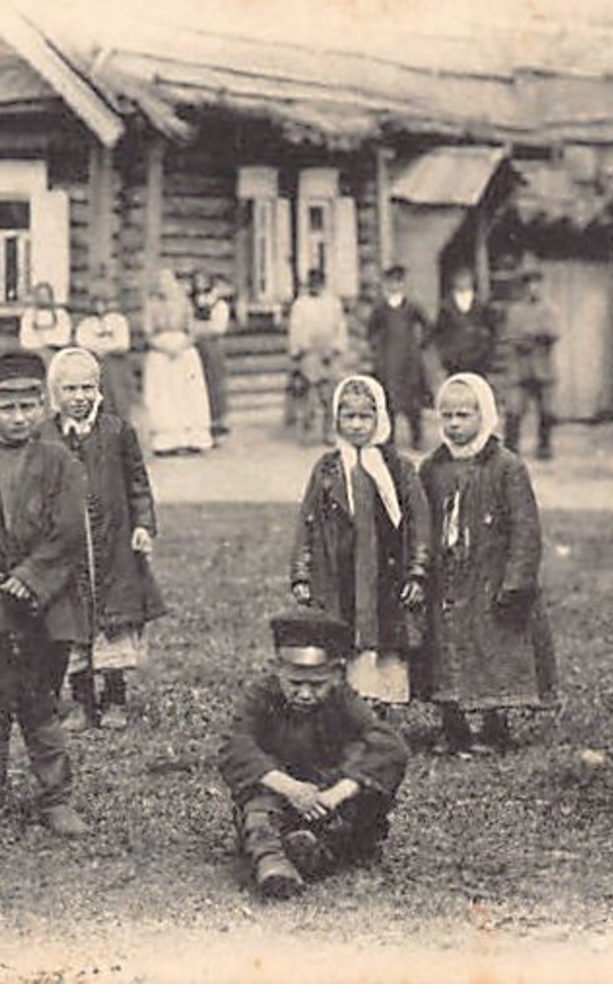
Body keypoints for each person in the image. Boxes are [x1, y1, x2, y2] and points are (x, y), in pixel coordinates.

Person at [0, 351, 89, 841]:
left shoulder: (60, 461)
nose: (18, 417)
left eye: (29, 406)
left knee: (41, 702)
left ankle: (56, 797)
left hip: (44, 610)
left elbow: (69, 531)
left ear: (44, 407)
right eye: (6, 407)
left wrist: (33, 576)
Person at [218, 607, 411, 900]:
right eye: (295, 683)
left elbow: (389, 745)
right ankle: (273, 861)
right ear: (277, 669)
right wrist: (290, 787)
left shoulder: (343, 699)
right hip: (279, 795)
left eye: (317, 684)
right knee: (258, 807)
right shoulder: (260, 696)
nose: (305, 694)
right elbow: (235, 745)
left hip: (327, 800)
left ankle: (316, 850)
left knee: (356, 803)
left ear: (336, 675)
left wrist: (336, 793)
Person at [417, 373, 558, 754]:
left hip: (490, 574)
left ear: (485, 414)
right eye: (446, 416)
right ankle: (453, 725)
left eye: (463, 415)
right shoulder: (432, 468)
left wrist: (517, 580)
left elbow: (525, 528)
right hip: (447, 575)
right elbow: (420, 520)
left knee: (493, 647)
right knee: (444, 646)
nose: (454, 424)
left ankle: (496, 726)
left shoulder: (506, 466)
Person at [40, 347, 168, 730]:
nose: (79, 397)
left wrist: (143, 525)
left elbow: (137, 484)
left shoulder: (116, 431)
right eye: (70, 388)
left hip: (112, 548)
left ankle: (115, 697)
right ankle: (81, 701)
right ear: (54, 392)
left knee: (113, 623)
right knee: (74, 624)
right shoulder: (45, 436)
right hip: (69, 550)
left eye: (87, 387)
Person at [291, 375, 430, 707]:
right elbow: (307, 522)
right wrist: (301, 572)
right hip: (341, 574)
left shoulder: (398, 469)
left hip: (386, 572)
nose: (356, 425)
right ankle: (347, 703)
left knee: (384, 637)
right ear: (336, 419)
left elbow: (419, 523)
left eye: (364, 416)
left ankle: (381, 705)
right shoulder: (327, 470)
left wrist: (418, 571)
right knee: (345, 635)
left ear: (379, 417)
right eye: (348, 416)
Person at [142, 268, 214, 455]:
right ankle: (166, 441)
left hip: (183, 353)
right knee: (165, 396)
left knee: (187, 395)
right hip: (161, 354)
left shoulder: (185, 304)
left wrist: (182, 345)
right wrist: (163, 346)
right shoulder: (151, 306)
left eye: (169, 282)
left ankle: (192, 439)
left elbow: (192, 331)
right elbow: (148, 333)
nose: (165, 286)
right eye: (161, 282)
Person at [364, 264, 429, 449]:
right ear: (386, 285)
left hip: (409, 359)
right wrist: (377, 349)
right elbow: (370, 331)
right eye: (391, 282)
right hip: (388, 360)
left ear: (403, 284)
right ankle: (389, 440)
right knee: (389, 401)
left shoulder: (411, 306)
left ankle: (417, 438)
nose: (394, 286)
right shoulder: (381, 308)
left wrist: (420, 344)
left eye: (398, 282)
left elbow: (427, 326)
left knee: (413, 402)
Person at [498, 268, 559, 460]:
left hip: (543, 367)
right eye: (529, 285)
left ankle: (544, 447)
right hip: (520, 367)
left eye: (537, 284)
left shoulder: (549, 308)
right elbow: (510, 336)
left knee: (546, 411)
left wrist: (532, 335)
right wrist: (531, 336)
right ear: (524, 288)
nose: (533, 288)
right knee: (514, 410)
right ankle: (510, 450)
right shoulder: (515, 310)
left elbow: (553, 333)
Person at [286, 269, 350, 446]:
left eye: (318, 283)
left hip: (329, 353)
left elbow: (340, 328)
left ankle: (329, 431)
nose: (315, 287)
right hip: (309, 353)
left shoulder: (333, 304)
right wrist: (299, 349)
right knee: (308, 394)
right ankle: (306, 430)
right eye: (312, 284)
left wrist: (335, 349)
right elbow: (295, 329)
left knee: (329, 395)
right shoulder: (300, 305)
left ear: (324, 284)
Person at [73, 294, 138, 421]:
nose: (101, 306)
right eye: (97, 302)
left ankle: (120, 422)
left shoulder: (118, 320)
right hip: (93, 362)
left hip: (115, 363)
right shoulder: (87, 323)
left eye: (105, 302)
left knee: (116, 387)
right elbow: (82, 342)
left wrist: (103, 348)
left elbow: (123, 344)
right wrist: (100, 348)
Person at [430, 268, 498, 379]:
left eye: (466, 279)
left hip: (478, 362)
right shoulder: (446, 308)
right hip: (455, 363)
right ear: (454, 283)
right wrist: (447, 357)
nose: (463, 282)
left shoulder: (481, 306)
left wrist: (487, 355)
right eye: (460, 279)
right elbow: (439, 335)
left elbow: (492, 332)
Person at [191, 271, 233, 440]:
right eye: (196, 282)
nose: (199, 285)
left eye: (202, 281)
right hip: (195, 348)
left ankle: (218, 423)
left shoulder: (219, 304)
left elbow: (218, 328)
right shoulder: (193, 303)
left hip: (213, 348)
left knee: (214, 382)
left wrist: (198, 329)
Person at [19, 281, 73, 354]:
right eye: (40, 295)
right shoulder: (28, 315)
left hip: (57, 352)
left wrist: (45, 340)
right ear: (35, 298)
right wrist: (42, 345)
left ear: (51, 297)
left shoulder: (61, 314)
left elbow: (64, 338)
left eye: (45, 295)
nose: (43, 298)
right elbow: (25, 340)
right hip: (35, 353)